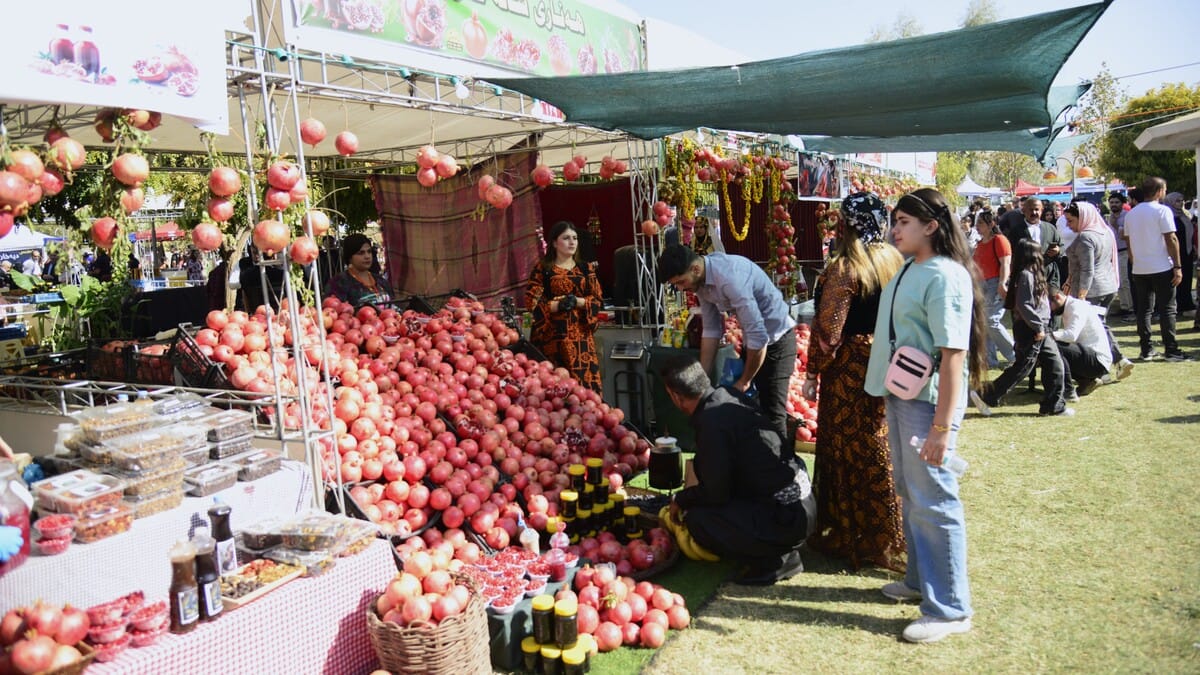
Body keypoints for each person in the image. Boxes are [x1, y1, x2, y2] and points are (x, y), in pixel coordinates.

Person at [863, 187, 985, 643]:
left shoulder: (945, 275)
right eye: (894, 221)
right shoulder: (909, 268)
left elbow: (954, 356)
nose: (894, 230)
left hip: (927, 403)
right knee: (912, 492)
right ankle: (920, 582)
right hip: (902, 395)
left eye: (903, 222)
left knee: (934, 498)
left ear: (931, 226)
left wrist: (943, 429)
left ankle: (950, 609)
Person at [802, 192, 905, 571]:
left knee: (847, 449)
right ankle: (885, 533)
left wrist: (814, 371)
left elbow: (829, 331)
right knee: (881, 445)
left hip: (850, 371)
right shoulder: (893, 261)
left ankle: (851, 534)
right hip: (888, 364)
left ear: (845, 224)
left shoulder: (846, 267)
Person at [661, 357, 813, 585]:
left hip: (787, 518)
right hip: (805, 505)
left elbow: (716, 492)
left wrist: (681, 499)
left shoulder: (712, 423)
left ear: (676, 397)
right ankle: (778, 549)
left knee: (699, 520)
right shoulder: (726, 396)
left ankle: (775, 560)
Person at [656, 243, 797, 442]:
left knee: (772, 414)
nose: (680, 288)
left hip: (778, 340)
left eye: (681, 282)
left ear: (695, 268)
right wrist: (702, 378)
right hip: (754, 342)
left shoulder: (731, 279)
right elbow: (712, 330)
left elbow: (759, 336)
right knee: (749, 414)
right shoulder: (701, 283)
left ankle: (783, 469)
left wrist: (744, 381)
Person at [975, 240, 1071, 416]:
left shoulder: (1031, 274)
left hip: (1040, 328)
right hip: (1033, 329)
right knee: (1023, 367)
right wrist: (1037, 327)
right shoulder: (1026, 275)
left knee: (1054, 365)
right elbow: (1024, 304)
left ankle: (1053, 405)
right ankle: (987, 394)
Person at [525, 222, 604, 392]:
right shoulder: (543, 269)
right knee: (554, 390)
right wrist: (557, 305)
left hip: (580, 339)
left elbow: (597, 300)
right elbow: (532, 302)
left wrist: (578, 301)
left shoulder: (586, 269)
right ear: (554, 243)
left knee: (585, 391)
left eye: (575, 238)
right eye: (566, 238)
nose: (572, 242)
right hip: (552, 338)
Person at [1063, 201, 1133, 379]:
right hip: (1107, 286)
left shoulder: (1086, 237)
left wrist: (1081, 294)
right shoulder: (1105, 231)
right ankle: (1117, 361)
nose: (1068, 225)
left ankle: (1109, 364)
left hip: (1092, 290)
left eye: (1071, 221)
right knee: (1100, 326)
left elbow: (1087, 269)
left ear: (1083, 217)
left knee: (1094, 329)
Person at [1123, 177, 1187, 361]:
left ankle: (1146, 349)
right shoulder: (1162, 210)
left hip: (1140, 268)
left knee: (1144, 310)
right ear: (1159, 191)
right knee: (1167, 309)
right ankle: (1171, 349)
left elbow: (1128, 241)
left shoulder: (1132, 214)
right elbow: (1171, 239)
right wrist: (1178, 266)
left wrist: (1136, 262)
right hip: (1161, 266)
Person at [971, 210, 1014, 369]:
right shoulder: (980, 243)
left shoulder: (1000, 240)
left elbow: (1005, 264)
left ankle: (1014, 354)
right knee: (983, 323)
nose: (977, 226)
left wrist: (1002, 283)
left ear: (991, 224)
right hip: (981, 285)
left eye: (981, 223)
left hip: (995, 283)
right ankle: (989, 360)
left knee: (992, 321)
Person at [1049, 289, 1112, 397]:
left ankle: (1068, 390)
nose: (1050, 309)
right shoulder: (1069, 307)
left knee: (1054, 347)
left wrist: (1050, 335)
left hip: (1097, 360)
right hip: (1093, 358)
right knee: (1058, 347)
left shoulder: (1076, 307)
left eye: (1049, 304)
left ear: (1058, 297)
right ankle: (1086, 382)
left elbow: (1071, 335)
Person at [1006, 197, 1063, 299]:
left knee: (1051, 305)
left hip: (1048, 275)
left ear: (1041, 211)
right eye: (1031, 209)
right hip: (1026, 276)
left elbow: (1061, 246)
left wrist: (1058, 250)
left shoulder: (1050, 228)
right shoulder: (1016, 231)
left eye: (1037, 209)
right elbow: (1010, 252)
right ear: (1024, 211)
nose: (1034, 212)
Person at [325, 233, 392, 308]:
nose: (367, 256)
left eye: (369, 251)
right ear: (350, 257)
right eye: (361, 253)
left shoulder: (380, 281)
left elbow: (393, 305)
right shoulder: (339, 283)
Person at [1164, 192, 1195, 315]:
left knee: (1187, 278)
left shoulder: (1184, 215)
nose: (1181, 203)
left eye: (1182, 200)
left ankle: (1186, 304)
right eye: (1177, 201)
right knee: (1176, 280)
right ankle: (1180, 306)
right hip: (1175, 253)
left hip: (1187, 253)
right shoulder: (1168, 217)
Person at [1107, 193, 1134, 316]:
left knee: (1125, 280)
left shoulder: (1127, 217)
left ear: (1122, 203)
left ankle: (1130, 307)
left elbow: (1125, 235)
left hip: (1125, 251)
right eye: (1112, 202)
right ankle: (1124, 306)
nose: (1114, 205)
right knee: (1118, 281)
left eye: (1116, 202)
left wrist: (1115, 224)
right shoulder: (1109, 217)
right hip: (1114, 253)